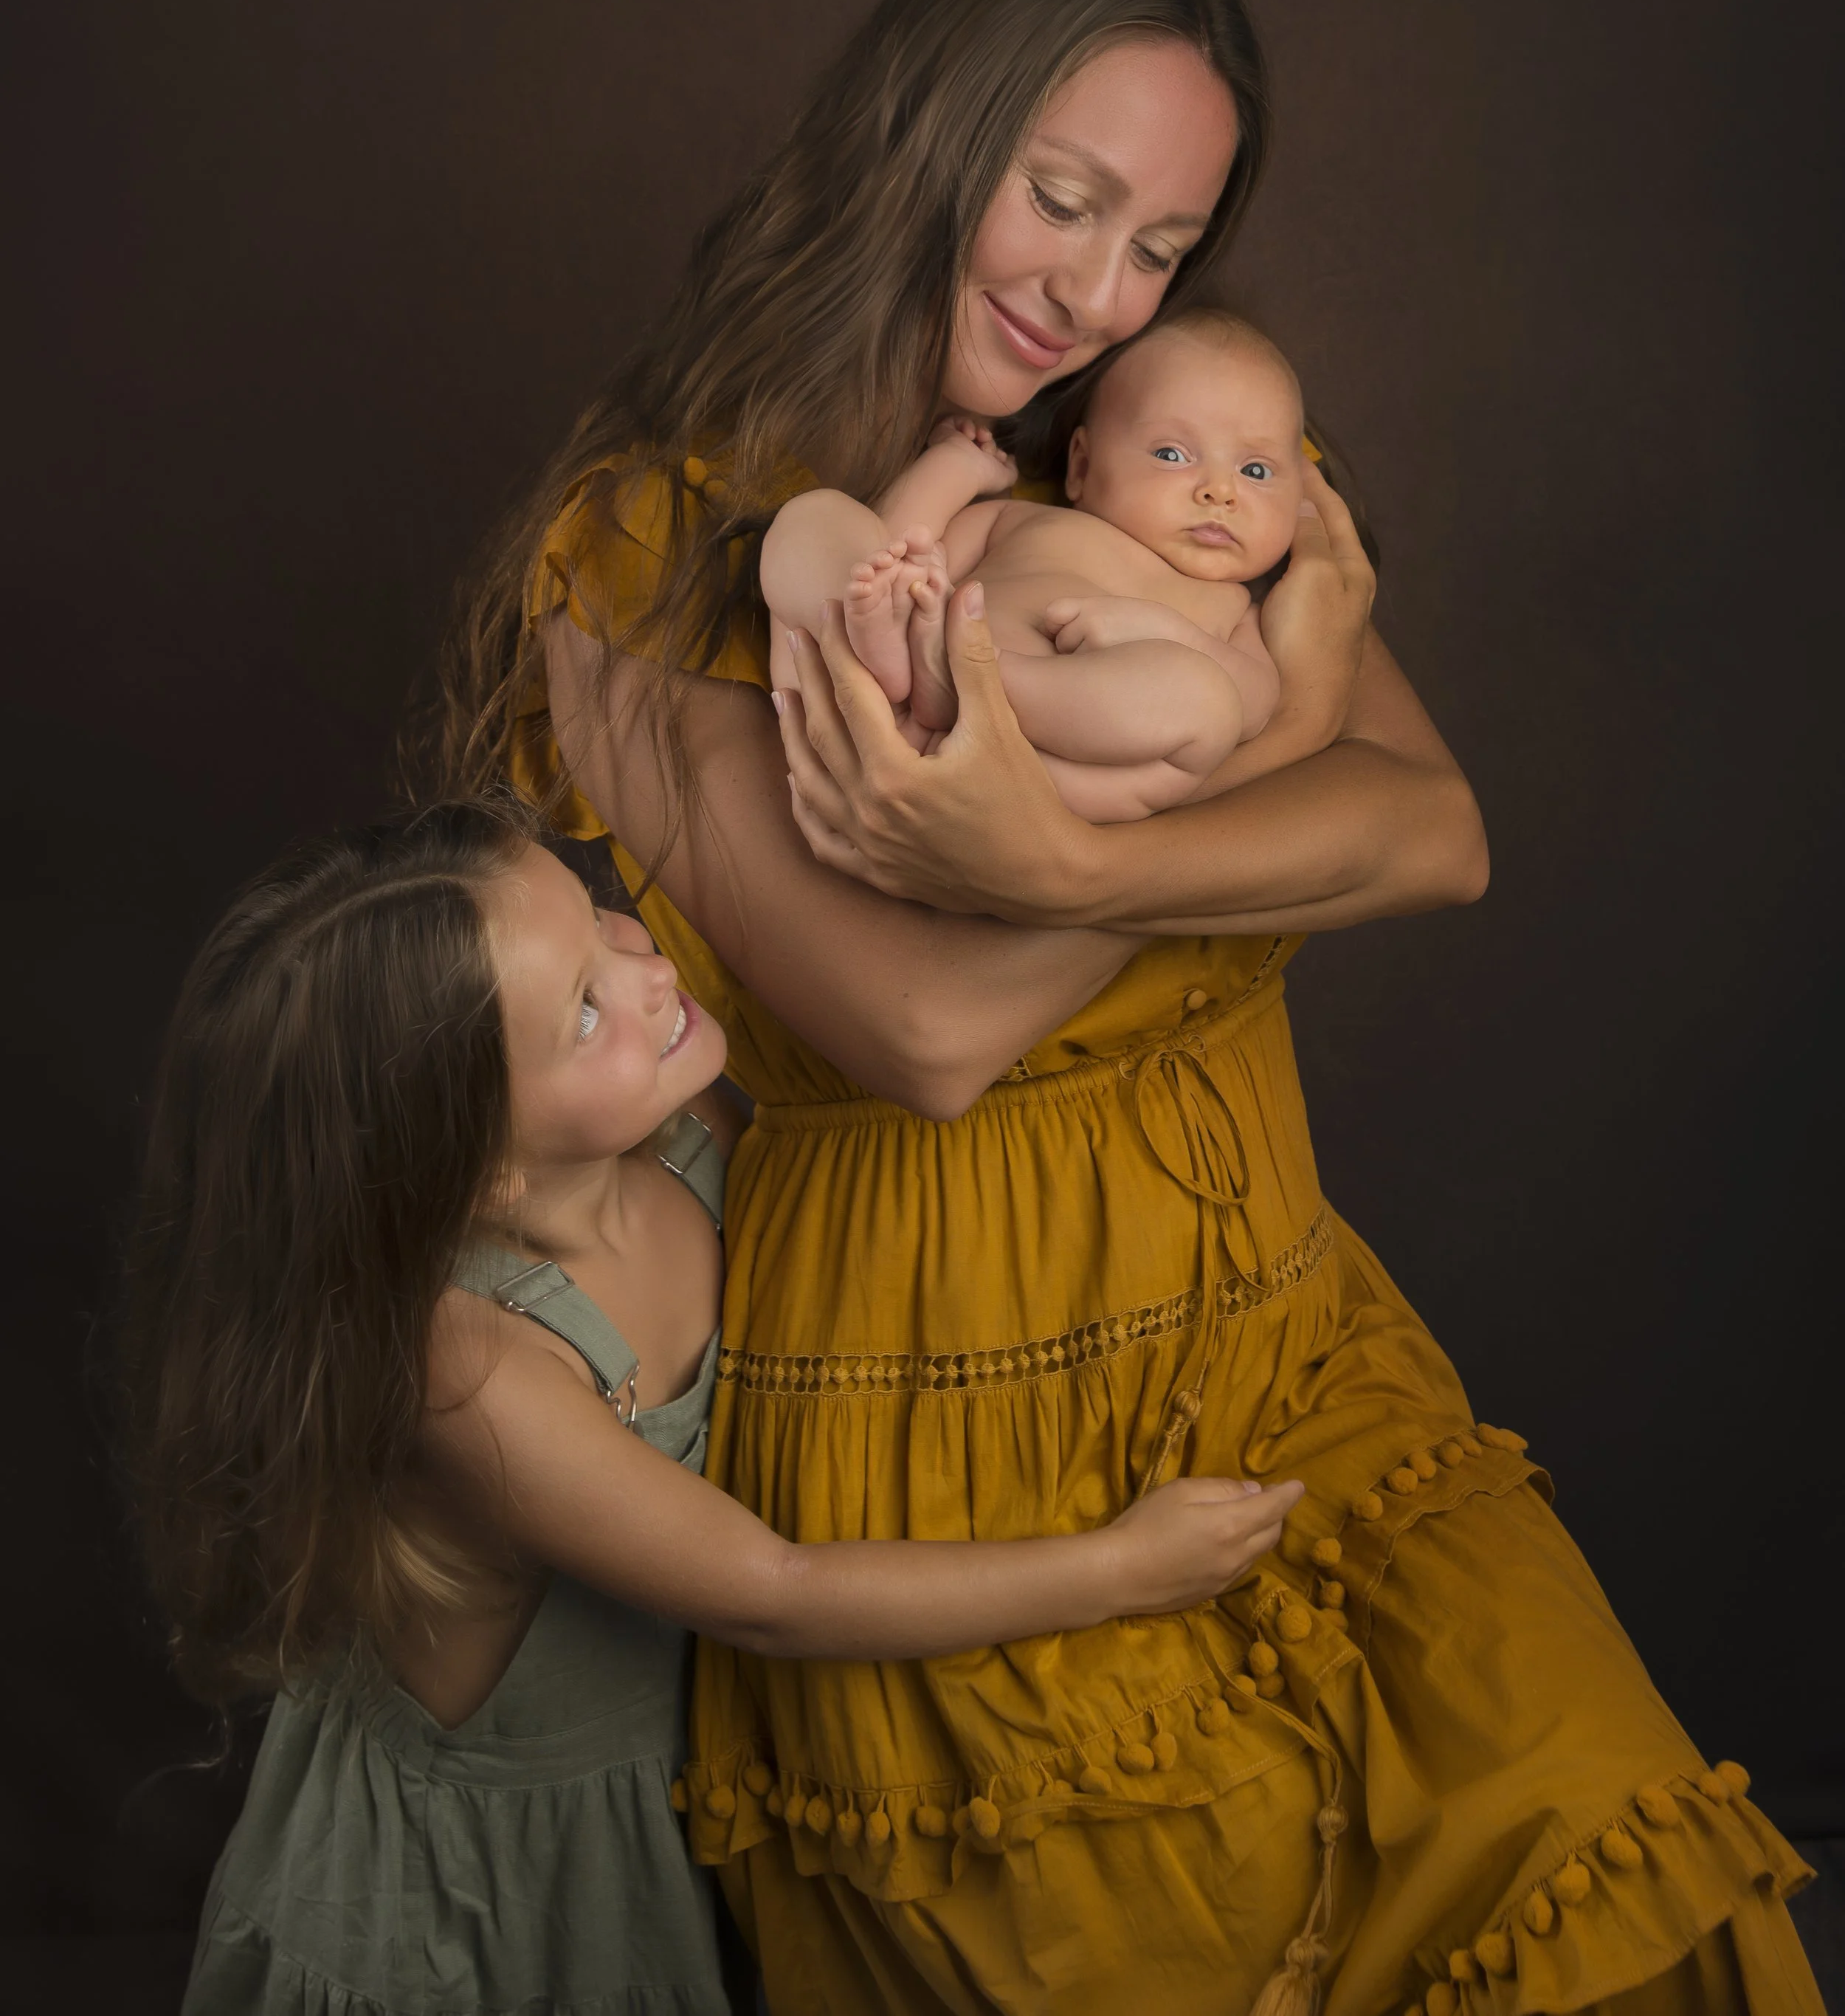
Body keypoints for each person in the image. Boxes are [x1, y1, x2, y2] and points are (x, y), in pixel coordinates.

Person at [442, 0, 1821, 2013]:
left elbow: (1432, 826)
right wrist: (1248, 754)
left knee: (1618, 1881)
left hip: (1289, 1348)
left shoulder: (1161, 453)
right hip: (953, 1416)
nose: (1096, 291)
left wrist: (1040, 850)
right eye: (1062, 199)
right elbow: (922, 1025)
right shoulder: (652, 547)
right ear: (920, 137)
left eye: (1162, 242)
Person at [122, 797, 1301, 2016]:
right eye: (584, 1010)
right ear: (482, 1165)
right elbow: (772, 1590)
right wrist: (1119, 1567)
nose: (647, 969)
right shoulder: (472, 1366)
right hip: (476, 1900)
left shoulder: (688, 1130)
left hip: (676, 1796)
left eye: (599, 917)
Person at [760, 311, 1309, 818]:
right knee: (815, 518)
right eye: (1172, 455)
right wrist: (957, 468)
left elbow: (1255, 704)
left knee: (1210, 703)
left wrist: (1165, 631)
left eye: (1256, 471)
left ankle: (966, 678)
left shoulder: (1235, 608)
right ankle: (917, 664)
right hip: (881, 702)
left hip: (1023, 775)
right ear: (1082, 466)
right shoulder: (1025, 521)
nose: (1220, 491)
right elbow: (900, 546)